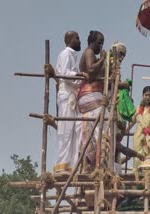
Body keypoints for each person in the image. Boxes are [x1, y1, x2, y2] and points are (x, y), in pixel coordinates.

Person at [50, 31, 87, 175]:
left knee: (76, 129)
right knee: (65, 130)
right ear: (71, 39)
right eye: (78, 38)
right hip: (67, 95)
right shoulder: (65, 54)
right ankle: (61, 165)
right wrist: (80, 75)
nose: (79, 41)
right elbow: (65, 74)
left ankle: (70, 165)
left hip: (73, 95)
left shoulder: (72, 55)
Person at [77, 30, 108, 172]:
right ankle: (99, 165)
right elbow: (90, 71)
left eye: (102, 44)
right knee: (102, 129)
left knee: (93, 134)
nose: (101, 46)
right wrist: (102, 59)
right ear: (92, 42)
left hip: (89, 98)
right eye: (99, 42)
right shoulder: (89, 52)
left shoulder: (91, 54)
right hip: (92, 97)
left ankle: (91, 165)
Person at [126, 86, 150, 171]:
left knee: (149, 157)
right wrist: (126, 130)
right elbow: (133, 120)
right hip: (138, 136)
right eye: (146, 95)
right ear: (142, 96)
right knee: (137, 156)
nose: (147, 97)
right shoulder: (138, 107)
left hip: (149, 135)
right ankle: (136, 176)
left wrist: (149, 132)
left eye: (149, 95)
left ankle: (148, 176)